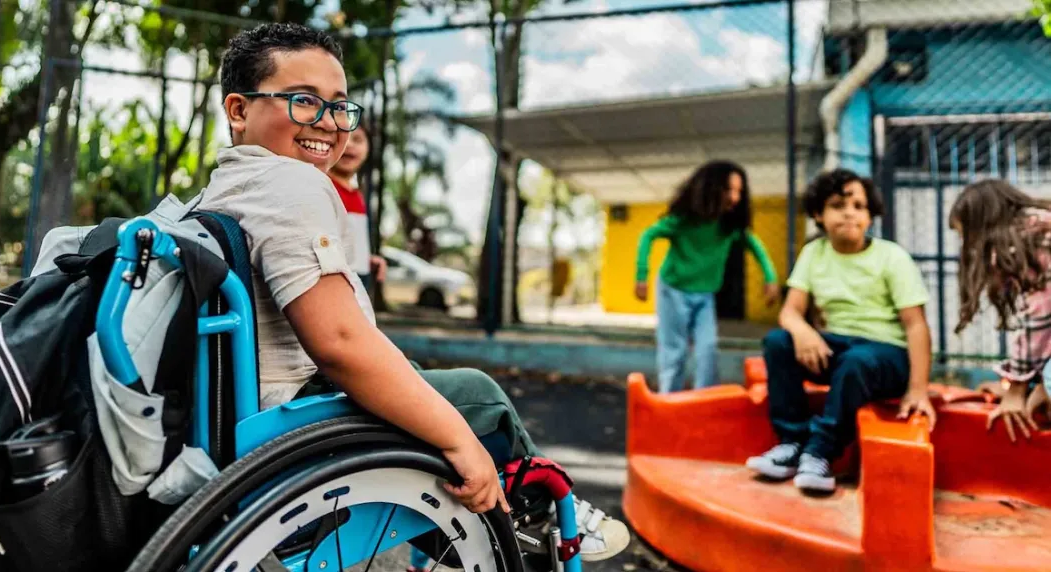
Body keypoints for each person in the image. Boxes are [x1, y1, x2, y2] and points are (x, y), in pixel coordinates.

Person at [196, 22, 629, 562]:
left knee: (414, 378)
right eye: (304, 101)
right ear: (238, 109)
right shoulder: (292, 182)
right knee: (476, 396)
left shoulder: (217, 192)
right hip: (286, 427)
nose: (329, 124)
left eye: (339, 106)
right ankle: (541, 516)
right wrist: (458, 440)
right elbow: (339, 342)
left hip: (234, 421)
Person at [745, 169, 936, 493]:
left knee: (857, 361)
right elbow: (790, 311)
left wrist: (918, 389)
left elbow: (915, 324)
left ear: (870, 216)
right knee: (778, 343)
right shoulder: (814, 253)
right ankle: (792, 443)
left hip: (886, 355)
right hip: (838, 347)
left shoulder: (892, 256)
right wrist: (805, 333)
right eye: (838, 204)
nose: (850, 212)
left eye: (859, 206)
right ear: (819, 214)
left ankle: (820, 452)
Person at [634, 160, 780, 393]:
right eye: (728, 190)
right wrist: (641, 276)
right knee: (675, 351)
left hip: (705, 295)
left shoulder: (730, 227)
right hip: (673, 290)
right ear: (710, 189)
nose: (735, 197)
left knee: (708, 348)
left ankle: (704, 400)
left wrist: (770, 278)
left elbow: (756, 247)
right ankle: (668, 399)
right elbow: (648, 236)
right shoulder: (683, 220)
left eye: (739, 192)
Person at [950, 179, 1051, 442]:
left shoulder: (1022, 242)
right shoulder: (1040, 225)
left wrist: (1017, 389)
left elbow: (1039, 316)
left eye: (966, 237)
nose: (968, 248)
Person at [326, 119, 387, 290]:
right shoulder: (323, 187)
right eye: (342, 138)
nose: (349, 145)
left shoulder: (358, 196)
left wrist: (366, 260)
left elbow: (348, 245)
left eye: (358, 139)